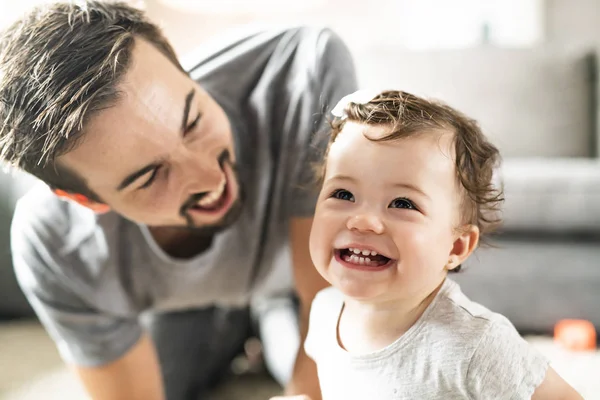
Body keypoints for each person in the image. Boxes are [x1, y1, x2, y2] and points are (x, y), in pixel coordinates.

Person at [0, 1, 358, 399]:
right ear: (86, 199)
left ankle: (265, 314)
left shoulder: (303, 71)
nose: (211, 178)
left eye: (192, 121)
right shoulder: (55, 245)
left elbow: (334, 314)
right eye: (151, 175)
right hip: (186, 305)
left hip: (301, 283)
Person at [303, 89, 583, 399]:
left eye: (402, 203)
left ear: (456, 247)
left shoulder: (477, 345)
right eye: (343, 194)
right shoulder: (325, 311)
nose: (363, 221)